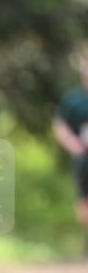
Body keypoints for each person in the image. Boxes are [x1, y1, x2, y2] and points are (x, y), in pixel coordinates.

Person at [52, 46, 88, 235]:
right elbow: (60, 124)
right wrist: (72, 144)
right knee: (84, 201)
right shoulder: (74, 99)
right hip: (84, 158)